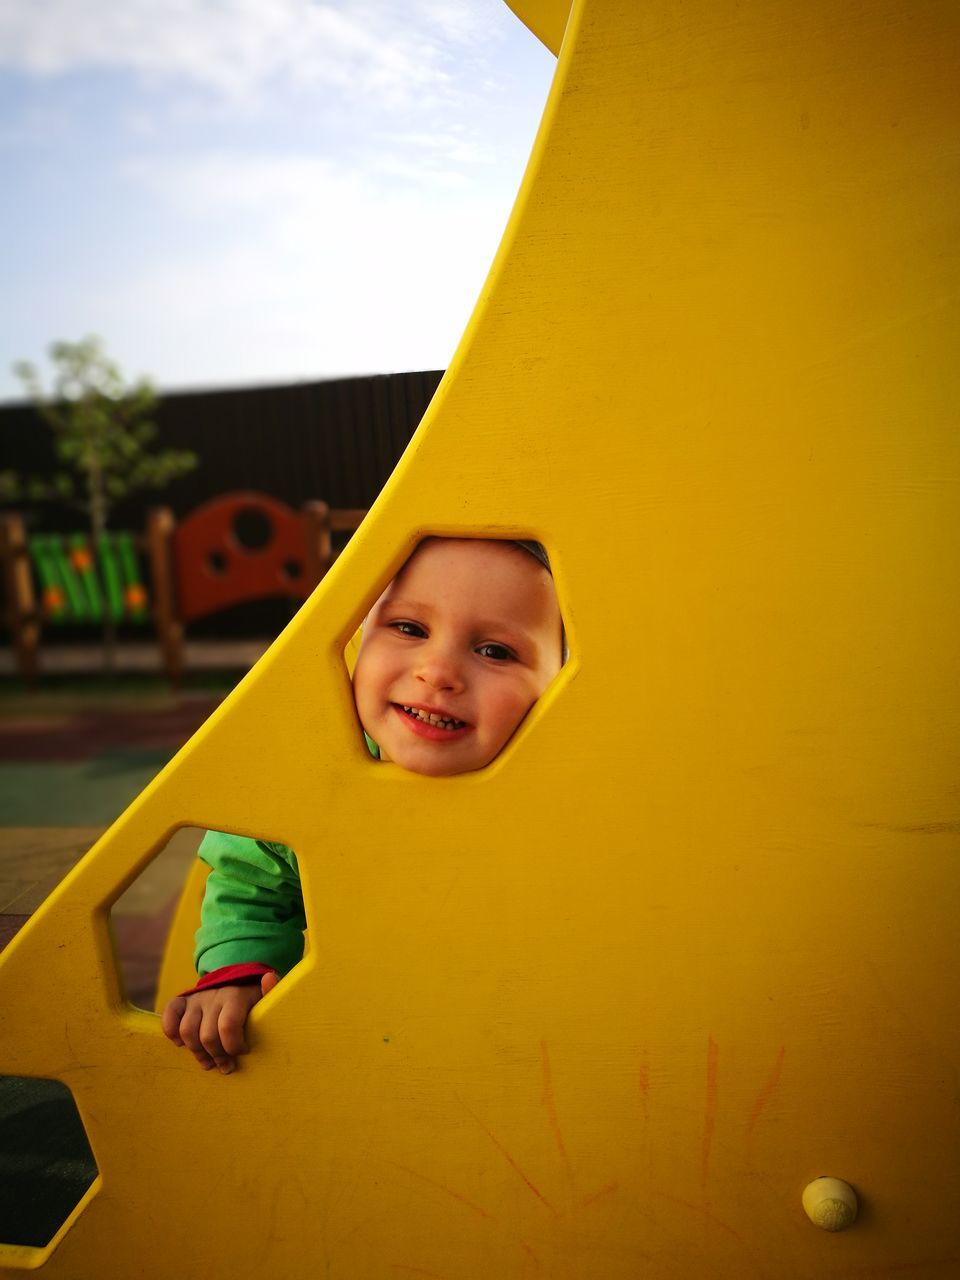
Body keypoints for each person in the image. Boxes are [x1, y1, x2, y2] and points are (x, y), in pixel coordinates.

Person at [161, 536, 564, 1074]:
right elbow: (251, 882)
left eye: (495, 651)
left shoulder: (563, 787)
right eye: (409, 628)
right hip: (361, 1041)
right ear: (356, 639)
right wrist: (236, 975)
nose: (437, 670)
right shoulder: (309, 778)